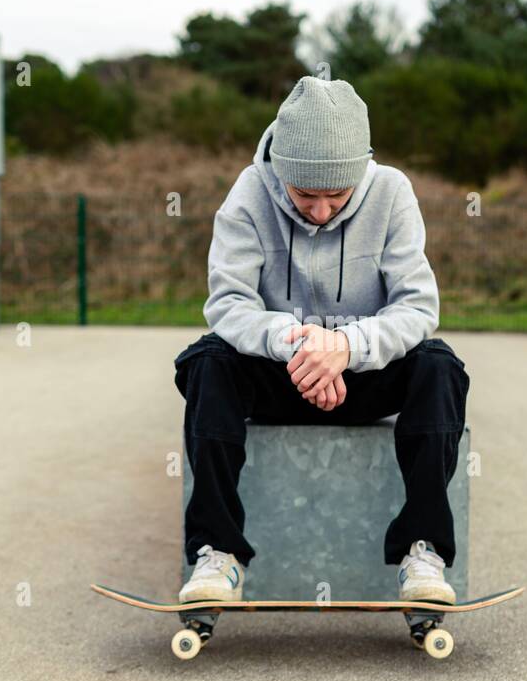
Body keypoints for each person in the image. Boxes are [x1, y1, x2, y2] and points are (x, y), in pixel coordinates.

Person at [172, 75, 469, 605]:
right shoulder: (248, 193)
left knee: (439, 365)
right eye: (306, 194)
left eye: (338, 195)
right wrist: (297, 343)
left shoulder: (393, 192)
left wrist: (347, 348)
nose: (322, 211)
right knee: (206, 362)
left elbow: (418, 306)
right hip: (278, 374)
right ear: (282, 171)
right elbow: (227, 304)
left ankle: (422, 551)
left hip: (363, 378)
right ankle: (218, 553)